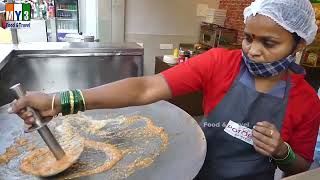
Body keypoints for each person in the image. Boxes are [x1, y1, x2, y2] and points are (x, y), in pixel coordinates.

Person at [9, 0, 320, 179]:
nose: (252, 51)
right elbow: (145, 87)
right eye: (248, 37)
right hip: (199, 170)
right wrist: (61, 100)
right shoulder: (219, 62)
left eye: (269, 43)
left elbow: (301, 167)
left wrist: (283, 151)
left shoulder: (306, 101)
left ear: (299, 43)